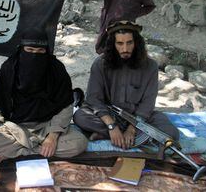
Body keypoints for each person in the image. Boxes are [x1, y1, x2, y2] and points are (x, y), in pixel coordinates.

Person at [0, 28, 88, 165]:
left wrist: (53, 137)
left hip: (47, 126)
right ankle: (37, 152)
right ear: (21, 49)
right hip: (14, 128)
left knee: (79, 143)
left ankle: (18, 153)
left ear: (46, 51)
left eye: (40, 52)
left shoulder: (56, 69)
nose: (34, 56)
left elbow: (66, 106)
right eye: (30, 50)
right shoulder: (9, 68)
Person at [73, 21, 179, 149]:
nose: (125, 49)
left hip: (138, 117)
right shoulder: (100, 63)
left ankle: (109, 135)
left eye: (129, 43)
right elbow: (93, 98)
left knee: (170, 133)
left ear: (137, 43)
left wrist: (132, 128)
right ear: (113, 44)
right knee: (80, 117)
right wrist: (111, 126)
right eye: (119, 43)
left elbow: (148, 103)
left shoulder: (150, 66)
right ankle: (128, 137)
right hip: (109, 114)